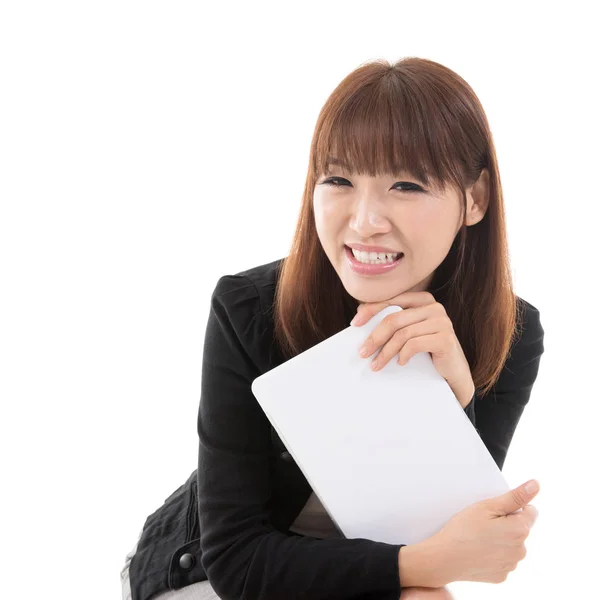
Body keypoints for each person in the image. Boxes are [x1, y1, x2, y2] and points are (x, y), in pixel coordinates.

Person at [120, 56, 545, 600]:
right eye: (339, 179)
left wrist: (452, 402)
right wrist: (420, 565)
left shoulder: (511, 331)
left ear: (475, 199)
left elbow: (449, 533)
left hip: (355, 564)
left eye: (407, 185)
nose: (365, 220)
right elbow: (237, 560)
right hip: (207, 574)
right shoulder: (248, 308)